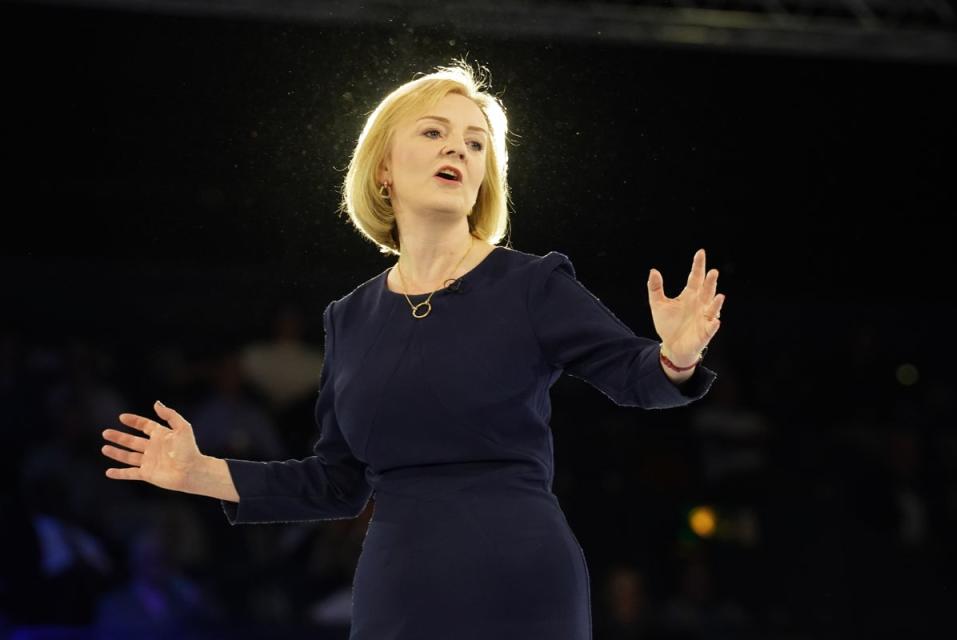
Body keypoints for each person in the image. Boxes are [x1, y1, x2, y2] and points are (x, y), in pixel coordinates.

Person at [101, 60, 725, 639]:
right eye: (433, 132)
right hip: (400, 583)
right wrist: (200, 473)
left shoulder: (533, 284)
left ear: (483, 177)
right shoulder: (349, 318)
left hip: (521, 574)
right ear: (383, 168)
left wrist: (675, 356)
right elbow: (339, 481)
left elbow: (631, 374)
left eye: (475, 143)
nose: (458, 147)